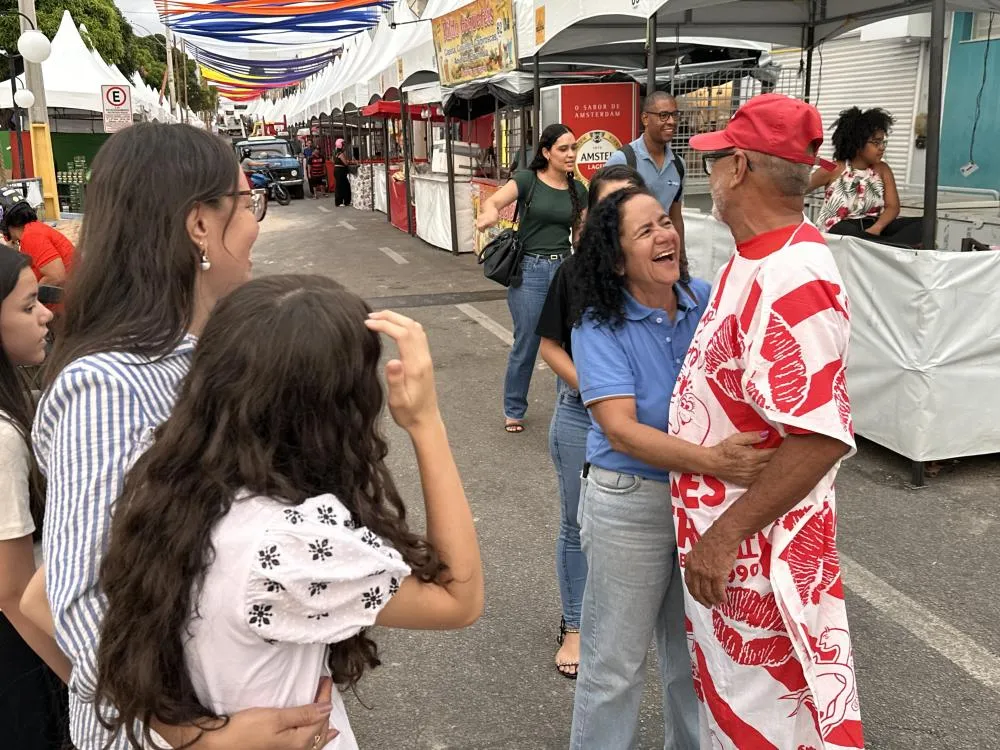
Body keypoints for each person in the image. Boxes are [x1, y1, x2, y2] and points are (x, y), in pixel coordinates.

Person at [27, 122, 346, 750]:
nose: (255, 223)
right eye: (247, 201)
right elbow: (79, 596)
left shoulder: (201, 354)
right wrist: (192, 733)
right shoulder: (111, 382)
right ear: (200, 224)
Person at [94, 277, 483, 750]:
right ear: (335, 412)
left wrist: (196, 738)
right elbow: (457, 599)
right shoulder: (286, 545)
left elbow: (44, 602)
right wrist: (426, 423)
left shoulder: (161, 478)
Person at [679, 93, 865, 749]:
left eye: (716, 160)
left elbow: (819, 437)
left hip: (758, 560)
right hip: (734, 560)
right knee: (735, 711)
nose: (709, 176)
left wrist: (723, 536)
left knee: (769, 721)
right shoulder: (756, 257)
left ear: (740, 169)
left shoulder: (793, 274)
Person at [567, 186, 774, 750]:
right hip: (629, 502)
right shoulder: (598, 325)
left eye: (665, 221)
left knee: (695, 661)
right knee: (614, 668)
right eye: (646, 231)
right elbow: (620, 429)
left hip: (702, 502)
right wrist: (714, 460)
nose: (666, 235)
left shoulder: (704, 299)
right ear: (616, 259)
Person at [535, 164, 646, 679]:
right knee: (577, 524)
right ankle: (575, 625)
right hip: (582, 418)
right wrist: (595, 388)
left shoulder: (660, 273)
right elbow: (550, 346)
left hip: (648, 426)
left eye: (631, 200)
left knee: (644, 526)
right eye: (609, 205)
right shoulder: (573, 273)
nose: (621, 213)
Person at [0, 244, 70, 750]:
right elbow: (11, 590)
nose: (45, 314)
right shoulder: (2, 438)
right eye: (27, 307)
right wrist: (84, 681)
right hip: (23, 658)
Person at [476, 123, 586, 433]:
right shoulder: (528, 180)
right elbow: (495, 201)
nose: (570, 154)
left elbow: (580, 236)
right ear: (546, 152)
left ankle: (566, 405)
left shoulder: (579, 190)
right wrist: (489, 213)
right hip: (531, 270)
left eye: (573, 147)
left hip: (564, 268)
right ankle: (514, 408)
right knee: (527, 341)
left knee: (566, 342)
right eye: (563, 148)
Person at [812, 106, 923, 247]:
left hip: (872, 227)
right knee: (847, 231)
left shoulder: (883, 169)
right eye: (876, 142)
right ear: (857, 143)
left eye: (883, 142)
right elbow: (798, 190)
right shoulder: (833, 168)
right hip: (840, 231)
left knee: (925, 224)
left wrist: (877, 228)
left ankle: (879, 246)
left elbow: (893, 207)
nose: (882, 147)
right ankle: (887, 247)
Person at [605, 91, 688, 273]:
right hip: (628, 263)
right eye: (663, 115)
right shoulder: (624, 160)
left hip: (662, 258)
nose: (672, 122)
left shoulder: (678, 165)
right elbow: (603, 215)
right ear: (645, 118)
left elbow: (675, 217)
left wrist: (681, 260)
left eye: (675, 115)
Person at [0, 195, 75, 286]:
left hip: (72, 293)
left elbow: (57, 277)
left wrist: (31, 295)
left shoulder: (31, 235)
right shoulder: (32, 229)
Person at [334, 138, 352, 207]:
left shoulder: (336, 152)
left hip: (339, 170)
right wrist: (349, 162)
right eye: (343, 145)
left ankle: (346, 201)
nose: (344, 146)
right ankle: (339, 202)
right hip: (340, 171)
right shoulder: (340, 153)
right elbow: (345, 163)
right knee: (340, 186)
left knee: (345, 186)